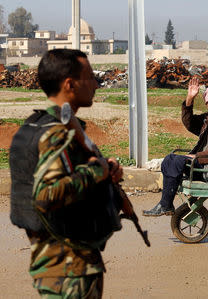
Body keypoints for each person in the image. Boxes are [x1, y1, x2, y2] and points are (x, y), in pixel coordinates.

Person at [9, 49, 124, 297]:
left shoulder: (40, 126)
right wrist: (97, 170)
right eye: (90, 77)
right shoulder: (57, 133)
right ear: (70, 84)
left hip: (59, 266)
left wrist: (105, 174)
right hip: (70, 271)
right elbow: (46, 195)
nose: (96, 84)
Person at [143, 78, 208, 216]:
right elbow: (189, 123)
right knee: (169, 159)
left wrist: (197, 156)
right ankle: (166, 204)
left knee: (177, 161)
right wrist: (189, 99)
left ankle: (165, 205)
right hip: (204, 165)